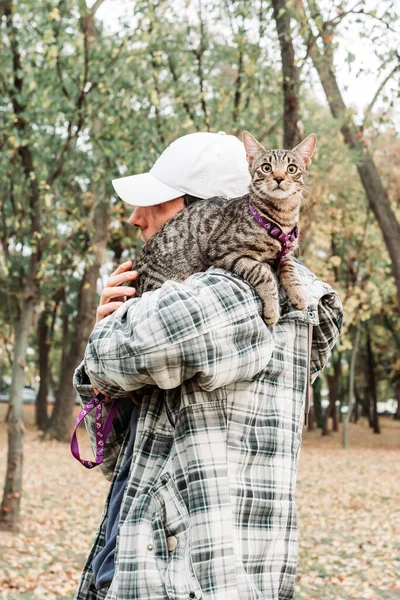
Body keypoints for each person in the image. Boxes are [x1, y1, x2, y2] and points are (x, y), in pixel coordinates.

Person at [73, 131, 343, 600]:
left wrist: (108, 333)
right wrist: (110, 364)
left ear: (208, 211)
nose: (137, 218)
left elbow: (113, 353)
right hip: (147, 570)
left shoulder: (233, 297)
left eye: (155, 203)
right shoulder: (194, 324)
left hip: (187, 579)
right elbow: (118, 459)